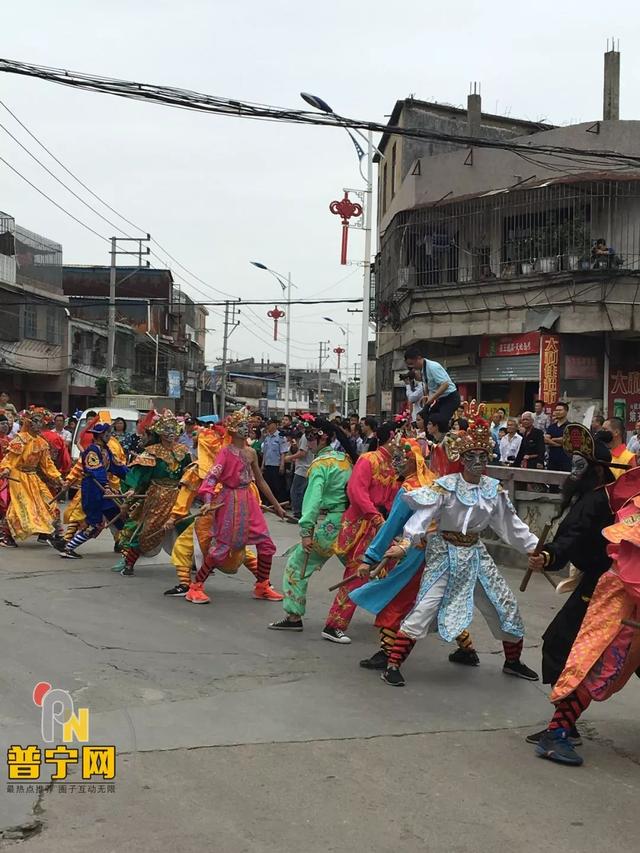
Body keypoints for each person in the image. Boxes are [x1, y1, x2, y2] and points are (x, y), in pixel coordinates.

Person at [379, 412, 539, 687]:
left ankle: (512, 661)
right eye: (471, 457)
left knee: (504, 604)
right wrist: (405, 544)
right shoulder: (445, 487)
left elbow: (511, 526)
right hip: (444, 552)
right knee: (425, 607)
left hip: (476, 552)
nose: (477, 463)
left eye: (482, 457)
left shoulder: (493, 489)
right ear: (461, 459)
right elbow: (421, 519)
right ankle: (393, 664)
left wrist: (538, 549)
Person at [531, 466, 640, 766]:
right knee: (596, 660)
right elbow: (627, 556)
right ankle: (557, 732)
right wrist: (551, 555)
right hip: (621, 593)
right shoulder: (626, 503)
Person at [523, 425, 619, 747]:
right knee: (570, 646)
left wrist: (550, 555)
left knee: (567, 646)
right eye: (573, 463)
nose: (573, 471)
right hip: (600, 580)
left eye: (580, 465)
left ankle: (562, 728)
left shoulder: (595, 501)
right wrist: (551, 554)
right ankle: (565, 725)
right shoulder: (600, 496)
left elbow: (572, 536)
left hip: (606, 586)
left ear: (597, 470)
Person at [184, 410, 286, 604]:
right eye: (241, 425)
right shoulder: (225, 452)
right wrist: (207, 501)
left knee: (265, 544)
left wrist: (276, 506)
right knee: (222, 548)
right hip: (229, 501)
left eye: (248, 425)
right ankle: (195, 586)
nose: (246, 428)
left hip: (248, 500)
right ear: (232, 430)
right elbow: (212, 477)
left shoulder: (251, 452)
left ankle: (262, 585)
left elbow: (261, 480)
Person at [268, 419, 355, 631]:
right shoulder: (345, 460)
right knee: (359, 569)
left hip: (329, 527)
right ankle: (390, 610)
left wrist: (306, 530)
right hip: (350, 524)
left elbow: (313, 500)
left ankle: (293, 617)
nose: (307, 441)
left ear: (322, 437)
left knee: (296, 566)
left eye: (310, 436)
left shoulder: (320, 465)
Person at [320, 421, 401, 643]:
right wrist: (375, 517)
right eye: (400, 437)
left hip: (383, 527)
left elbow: (395, 498)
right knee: (357, 574)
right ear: (391, 437)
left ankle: (390, 620)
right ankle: (333, 624)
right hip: (364, 526)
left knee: (395, 571)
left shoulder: (395, 465)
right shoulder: (368, 459)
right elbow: (356, 492)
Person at [116, 410, 192, 576]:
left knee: (188, 527)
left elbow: (189, 474)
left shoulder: (183, 451)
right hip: (157, 496)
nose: (171, 432)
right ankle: (129, 562)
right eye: (167, 429)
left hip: (178, 496)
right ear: (160, 432)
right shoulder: (152, 452)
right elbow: (139, 475)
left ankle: (192, 561)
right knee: (147, 530)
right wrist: (132, 489)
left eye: (173, 428)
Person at [58, 423, 130, 559]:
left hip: (103, 489)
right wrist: (106, 486)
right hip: (93, 489)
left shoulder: (106, 450)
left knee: (120, 515)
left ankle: (128, 547)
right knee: (95, 523)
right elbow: (97, 470)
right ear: (100, 435)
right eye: (107, 434)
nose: (110, 437)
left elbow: (117, 467)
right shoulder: (92, 450)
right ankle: (68, 548)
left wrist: (134, 478)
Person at [0, 407, 64, 546]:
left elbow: (47, 464)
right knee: (21, 506)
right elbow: (9, 459)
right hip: (19, 476)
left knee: (49, 502)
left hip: (33, 477)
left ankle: (45, 533)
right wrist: (5, 469)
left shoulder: (42, 443)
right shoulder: (20, 439)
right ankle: (6, 536)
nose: (38, 424)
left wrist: (58, 478)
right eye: (35, 421)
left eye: (40, 421)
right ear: (28, 422)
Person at [404, 346, 460, 428]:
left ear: (419, 358)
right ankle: (429, 438)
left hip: (450, 398)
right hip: (440, 399)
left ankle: (443, 438)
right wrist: (427, 397)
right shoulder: (423, 369)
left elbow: (445, 384)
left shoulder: (433, 367)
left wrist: (432, 398)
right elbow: (427, 384)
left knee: (438, 421)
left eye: (412, 364)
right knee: (425, 418)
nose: (412, 367)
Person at [287, 428, 314, 519]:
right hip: (307, 467)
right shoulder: (311, 436)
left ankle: (298, 513)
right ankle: (303, 512)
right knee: (303, 492)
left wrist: (289, 457)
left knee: (296, 491)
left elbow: (302, 453)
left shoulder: (304, 437)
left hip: (302, 468)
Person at [260, 418, 288, 503]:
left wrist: (282, 465)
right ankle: (268, 502)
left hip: (276, 465)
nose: (268, 426)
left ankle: (279, 503)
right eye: (267, 424)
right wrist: (262, 465)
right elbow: (265, 453)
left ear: (275, 425)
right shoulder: (267, 437)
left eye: (270, 424)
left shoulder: (280, 437)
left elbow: (283, 452)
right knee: (268, 484)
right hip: (268, 464)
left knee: (277, 485)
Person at [545, 402, 571, 472]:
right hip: (552, 460)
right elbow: (546, 440)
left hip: (565, 460)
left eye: (560, 410)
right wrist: (558, 444)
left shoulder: (570, 426)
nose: (557, 412)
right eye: (556, 410)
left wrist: (553, 439)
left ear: (566, 411)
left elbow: (566, 440)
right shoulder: (551, 427)